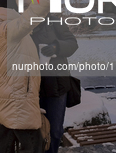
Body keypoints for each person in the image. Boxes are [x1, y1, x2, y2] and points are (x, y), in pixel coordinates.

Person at [0, 0, 50, 153]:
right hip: (18, 96)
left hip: (15, 94)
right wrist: (44, 0)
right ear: (10, 10)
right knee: (33, 144)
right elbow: (27, 21)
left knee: (6, 141)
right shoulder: (6, 30)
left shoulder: (4, 31)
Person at [31, 15, 78, 153]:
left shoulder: (54, 20)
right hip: (31, 86)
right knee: (32, 130)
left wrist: (56, 46)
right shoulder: (22, 22)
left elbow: (72, 43)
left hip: (57, 85)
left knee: (54, 130)